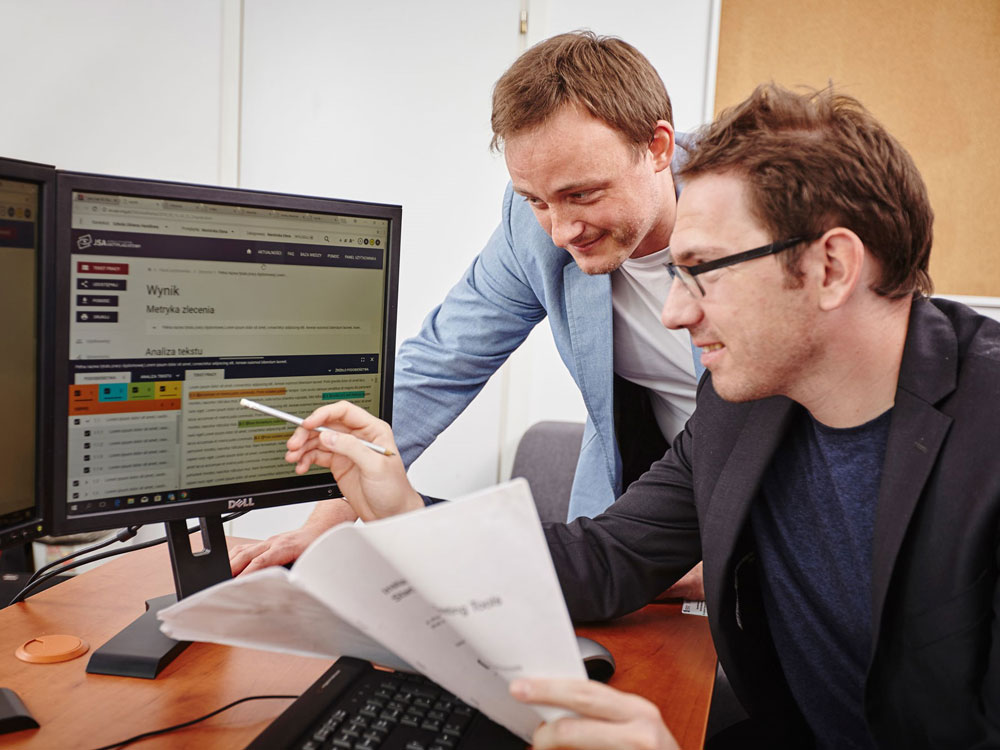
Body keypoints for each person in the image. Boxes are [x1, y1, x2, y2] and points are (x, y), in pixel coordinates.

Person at [280, 83, 1000, 749]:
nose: (674, 312)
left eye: (704, 272)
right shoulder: (737, 411)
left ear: (832, 268)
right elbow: (602, 562)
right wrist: (399, 509)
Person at [229, 31, 705, 590]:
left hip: (757, 497)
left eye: (583, 195)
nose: (559, 232)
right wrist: (332, 516)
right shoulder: (534, 224)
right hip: (634, 516)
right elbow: (438, 364)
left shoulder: (746, 211)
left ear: (657, 148)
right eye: (536, 199)